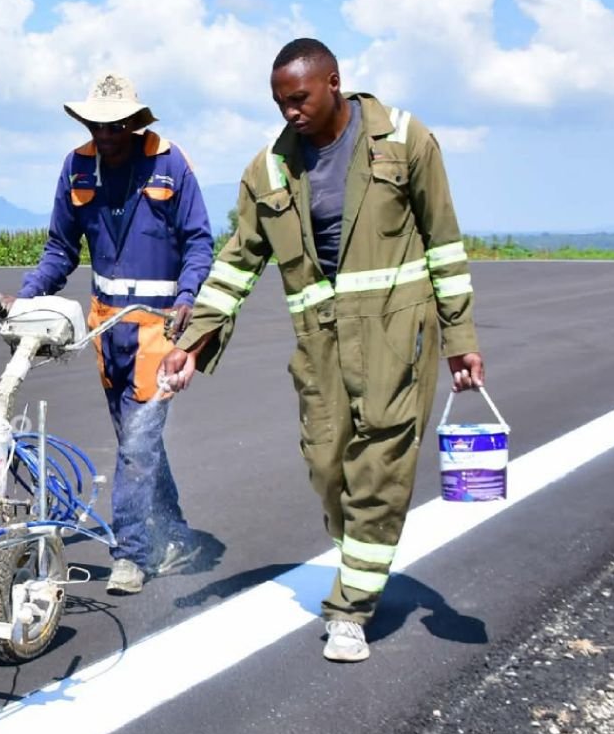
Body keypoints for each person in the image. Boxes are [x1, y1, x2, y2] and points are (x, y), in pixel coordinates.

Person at [175, 37, 483, 663]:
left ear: (333, 83)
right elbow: (238, 263)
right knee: (327, 466)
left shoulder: (403, 140)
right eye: (279, 101)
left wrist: (460, 338)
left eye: (299, 98)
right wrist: (189, 342)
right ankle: (365, 556)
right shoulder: (270, 170)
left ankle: (350, 611)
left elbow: (444, 243)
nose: (289, 111)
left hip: (398, 334)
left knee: (379, 472)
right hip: (320, 343)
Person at [11, 70, 222, 595]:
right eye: (95, 126)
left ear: (133, 122)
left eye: (114, 126)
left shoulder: (169, 164)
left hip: (159, 328)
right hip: (106, 330)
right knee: (136, 441)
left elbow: (199, 242)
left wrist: (188, 298)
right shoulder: (78, 169)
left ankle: (133, 552)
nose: (104, 135)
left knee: (137, 443)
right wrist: (28, 295)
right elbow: (61, 249)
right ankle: (173, 533)